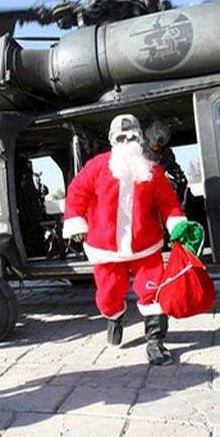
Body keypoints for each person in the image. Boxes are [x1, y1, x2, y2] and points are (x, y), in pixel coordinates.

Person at [62, 115, 188, 365]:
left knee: (153, 292)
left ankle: (155, 342)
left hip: (146, 246)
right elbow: (76, 193)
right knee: (108, 294)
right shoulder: (97, 167)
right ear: (112, 141)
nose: (127, 142)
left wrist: (176, 223)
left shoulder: (152, 170)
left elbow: (168, 203)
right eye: (121, 137)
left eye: (132, 137)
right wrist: (75, 220)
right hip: (106, 248)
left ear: (140, 140)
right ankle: (114, 316)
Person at [144, 119, 187, 199]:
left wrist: (177, 183)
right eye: (154, 138)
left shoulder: (166, 154)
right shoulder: (138, 151)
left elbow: (176, 173)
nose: (156, 143)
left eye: (160, 141)